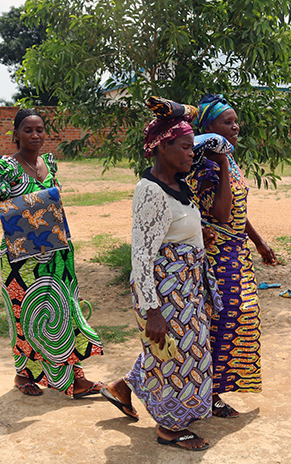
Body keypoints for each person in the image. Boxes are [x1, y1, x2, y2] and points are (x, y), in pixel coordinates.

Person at [101, 98, 222, 451]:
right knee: (177, 357)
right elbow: (141, 255)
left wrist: (200, 236)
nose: (190, 153)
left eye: (192, 146)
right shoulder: (150, 190)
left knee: (173, 352)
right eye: (185, 147)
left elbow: (174, 229)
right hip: (166, 294)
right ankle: (169, 427)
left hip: (187, 288)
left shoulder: (178, 185)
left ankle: (122, 388)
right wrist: (152, 311)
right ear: (163, 146)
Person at [0, 108, 103, 397]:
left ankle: (75, 375)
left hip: (57, 253)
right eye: (28, 130)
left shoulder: (49, 163)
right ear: (16, 134)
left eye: (39, 130)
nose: (35, 135)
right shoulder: (6, 169)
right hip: (21, 258)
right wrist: (32, 208)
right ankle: (24, 375)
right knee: (25, 317)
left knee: (66, 312)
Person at [187, 94, 276, 418]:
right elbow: (222, 214)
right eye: (228, 122)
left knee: (234, 320)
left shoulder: (228, 160)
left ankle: (212, 392)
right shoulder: (206, 165)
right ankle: (208, 394)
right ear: (208, 128)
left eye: (236, 121)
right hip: (216, 257)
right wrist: (222, 162)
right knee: (221, 322)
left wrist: (259, 242)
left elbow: (238, 208)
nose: (236, 126)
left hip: (236, 253)